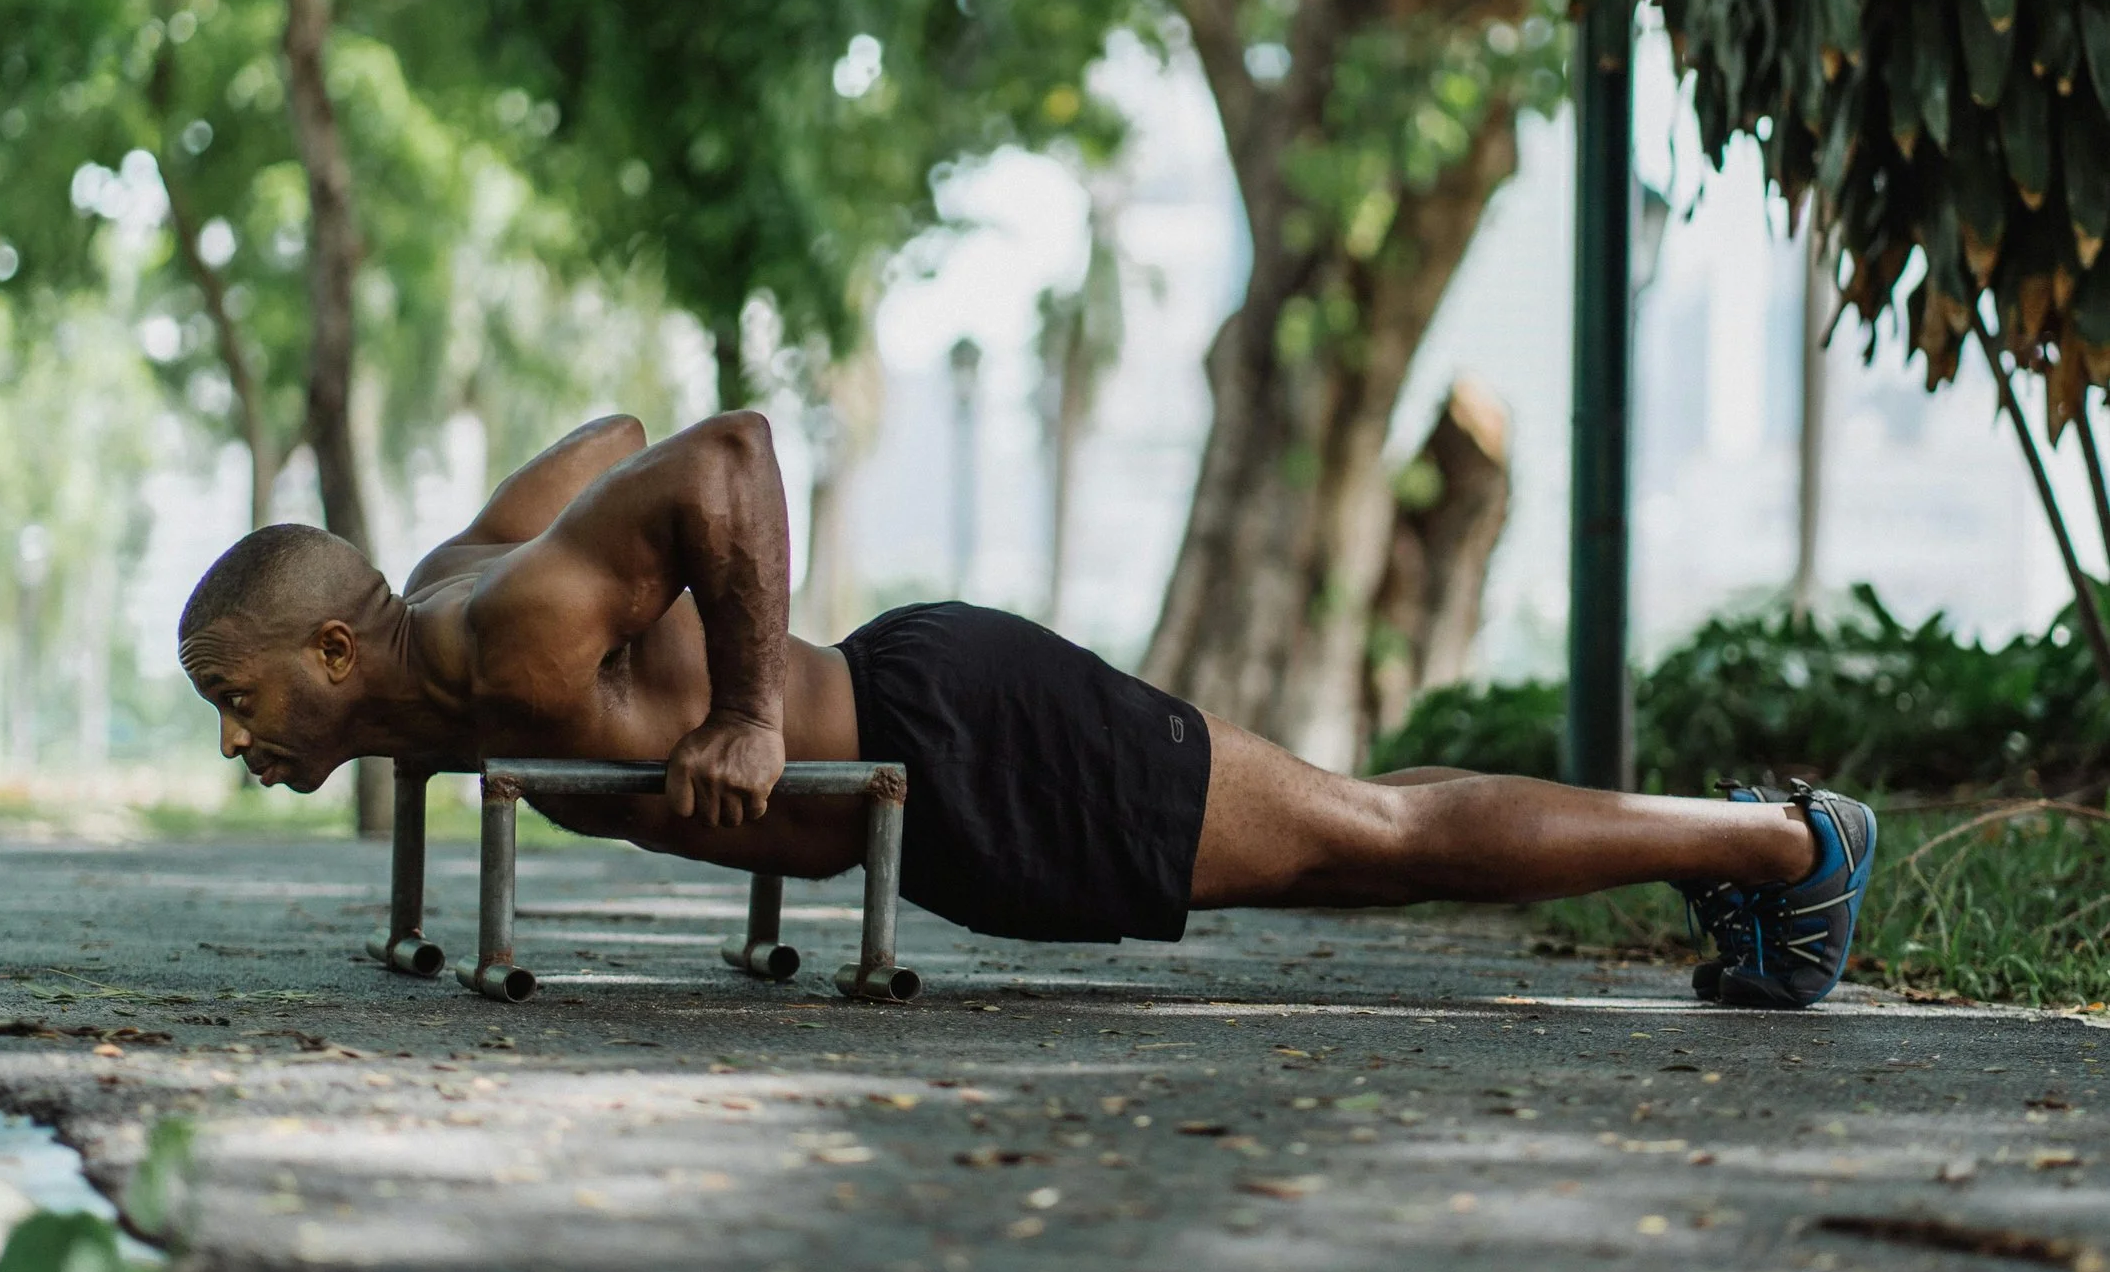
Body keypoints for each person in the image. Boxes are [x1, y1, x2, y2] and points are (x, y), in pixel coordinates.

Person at [178, 412, 1875, 1009]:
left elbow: (722, 454)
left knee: (1370, 840)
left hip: (971, 736)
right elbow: (611, 432)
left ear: (333, 652)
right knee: (1353, 843)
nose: (234, 738)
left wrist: (750, 706)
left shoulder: (511, 625)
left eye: (235, 696)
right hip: (953, 769)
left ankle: (1786, 839)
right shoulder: (457, 591)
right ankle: (1742, 848)